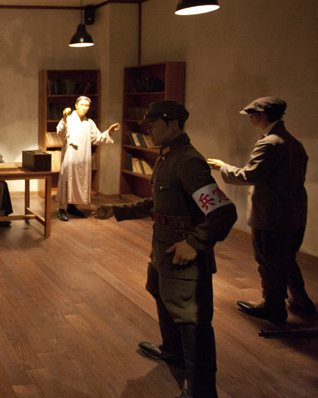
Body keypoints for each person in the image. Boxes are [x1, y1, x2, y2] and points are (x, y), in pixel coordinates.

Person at [94, 101, 237, 398]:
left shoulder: (188, 161)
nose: (149, 130)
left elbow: (223, 212)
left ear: (173, 124)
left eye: (154, 124)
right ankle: (173, 353)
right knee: (161, 294)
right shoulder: (168, 157)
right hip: (163, 248)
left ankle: (201, 390)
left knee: (191, 317)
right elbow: (159, 204)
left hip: (184, 253)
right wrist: (118, 210)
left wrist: (194, 244)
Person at [207, 97, 314, 324]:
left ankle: (273, 307)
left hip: (272, 214)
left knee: (269, 260)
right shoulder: (293, 142)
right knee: (287, 257)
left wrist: (222, 167)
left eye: (252, 115)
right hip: (295, 212)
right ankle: (301, 300)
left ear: (262, 115)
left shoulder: (270, 143)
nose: (250, 119)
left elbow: (250, 175)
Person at [56, 96, 119, 220]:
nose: (84, 108)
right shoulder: (68, 119)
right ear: (76, 105)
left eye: (87, 106)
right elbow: (60, 133)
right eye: (82, 105)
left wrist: (109, 131)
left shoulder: (89, 123)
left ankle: (72, 206)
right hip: (71, 156)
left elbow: (97, 138)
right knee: (67, 180)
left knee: (80, 180)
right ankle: (62, 209)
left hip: (84, 156)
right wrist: (64, 119)